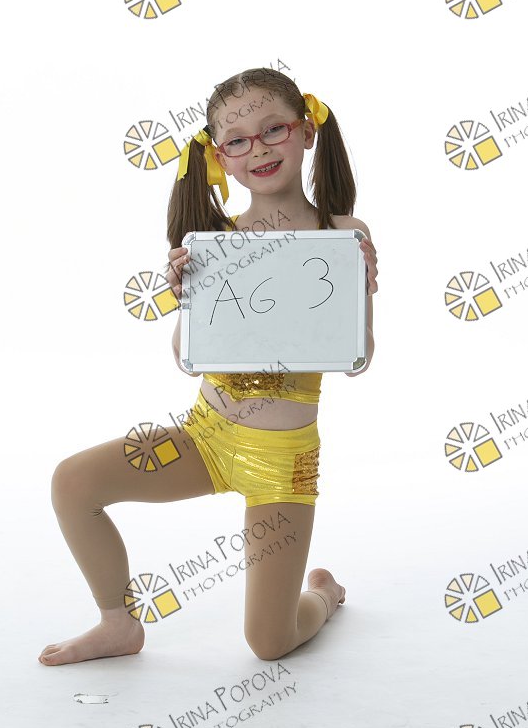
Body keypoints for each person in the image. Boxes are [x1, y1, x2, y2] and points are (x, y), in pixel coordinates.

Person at [39, 66, 377, 666]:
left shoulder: (341, 234)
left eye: (274, 129)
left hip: (283, 461)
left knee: (269, 643)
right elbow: (187, 360)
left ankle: (322, 595)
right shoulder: (215, 240)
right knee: (73, 482)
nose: (259, 148)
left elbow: (359, 359)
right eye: (238, 140)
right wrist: (186, 301)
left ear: (306, 132)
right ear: (221, 157)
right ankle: (117, 624)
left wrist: (362, 290)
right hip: (205, 438)